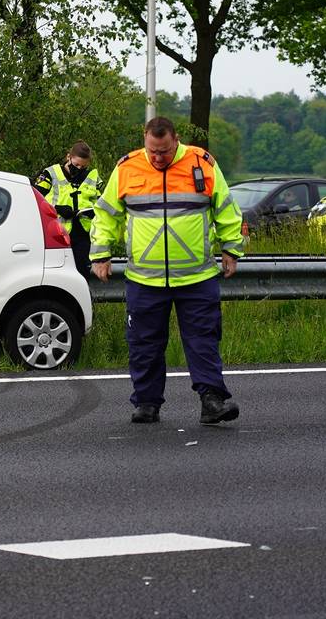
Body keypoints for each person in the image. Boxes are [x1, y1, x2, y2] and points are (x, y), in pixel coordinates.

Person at [89, 116, 245, 425]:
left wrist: (231, 249)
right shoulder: (127, 167)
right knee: (144, 344)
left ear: (176, 140)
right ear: (144, 140)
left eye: (164, 151)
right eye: (153, 151)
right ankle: (147, 404)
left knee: (203, 341)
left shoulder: (202, 163)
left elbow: (225, 207)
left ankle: (212, 401)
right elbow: (106, 215)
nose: (158, 158)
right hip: (145, 279)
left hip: (196, 277)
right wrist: (101, 254)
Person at [35, 141, 100, 277]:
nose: (79, 168)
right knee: (57, 274)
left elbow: (101, 202)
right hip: (57, 233)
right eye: (76, 165)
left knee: (82, 272)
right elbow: (34, 199)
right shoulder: (50, 174)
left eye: (83, 166)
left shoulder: (92, 177)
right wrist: (57, 209)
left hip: (83, 233)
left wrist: (93, 211)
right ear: (68, 157)